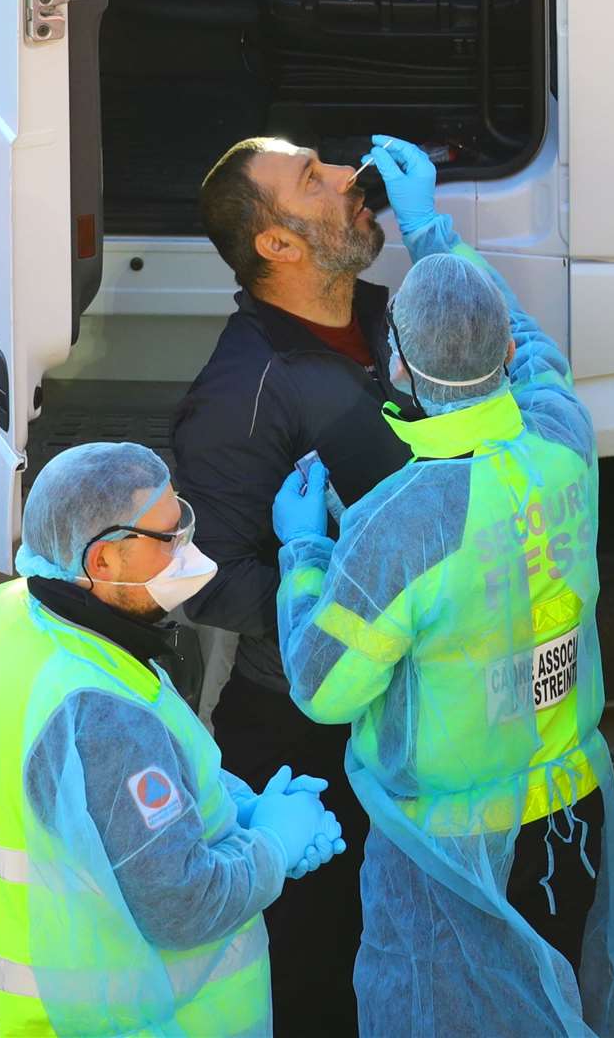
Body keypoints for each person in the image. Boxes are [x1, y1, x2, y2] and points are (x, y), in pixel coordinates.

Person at [269, 139, 614, 1037]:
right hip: (572, 811)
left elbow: (324, 688)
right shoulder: (563, 439)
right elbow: (530, 348)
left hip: (456, 854)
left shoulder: (401, 522)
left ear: (398, 370)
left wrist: (304, 554)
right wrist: (431, 230)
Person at [0, 442, 344, 1036]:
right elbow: (186, 903)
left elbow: (94, 801)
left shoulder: (3, 611)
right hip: (115, 1020)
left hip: (5, 1003)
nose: (188, 554)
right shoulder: (100, 710)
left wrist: (240, 809)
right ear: (101, 562)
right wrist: (275, 847)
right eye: (167, 540)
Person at [173, 134, 421, 1032]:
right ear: (276, 245)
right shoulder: (242, 391)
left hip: (399, 709)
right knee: (324, 978)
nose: (352, 178)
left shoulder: (389, 323)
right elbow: (207, 580)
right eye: (312, 180)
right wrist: (329, 582)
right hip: (304, 734)